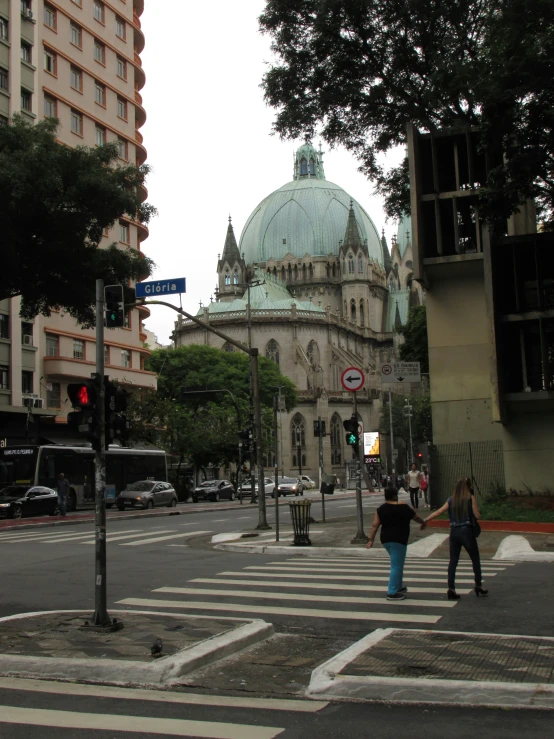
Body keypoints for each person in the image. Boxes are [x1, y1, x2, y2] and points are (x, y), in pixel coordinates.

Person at [424, 477, 488, 600]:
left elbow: (439, 512)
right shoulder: (470, 498)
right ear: (468, 487)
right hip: (467, 531)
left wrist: (426, 520)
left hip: (454, 532)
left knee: (453, 560)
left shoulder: (451, 500)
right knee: (475, 559)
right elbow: (477, 515)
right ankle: (478, 585)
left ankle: (451, 588)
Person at [366, 487, 427, 600]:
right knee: (396, 565)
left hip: (385, 540)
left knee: (398, 563)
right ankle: (392, 592)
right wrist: (423, 523)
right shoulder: (403, 507)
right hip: (398, 539)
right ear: (395, 495)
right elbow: (416, 517)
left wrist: (371, 540)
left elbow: (375, 525)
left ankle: (398, 586)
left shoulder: (381, 509)